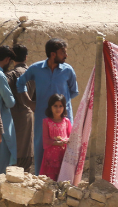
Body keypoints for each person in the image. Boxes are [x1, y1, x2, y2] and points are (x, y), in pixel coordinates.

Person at [16, 38, 79, 175]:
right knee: (41, 145)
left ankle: (65, 179)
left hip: (64, 118)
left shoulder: (68, 70)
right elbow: (20, 83)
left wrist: (61, 107)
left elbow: (74, 91)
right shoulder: (36, 69)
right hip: (42, 116)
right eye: (63, 52)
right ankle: (40, 178)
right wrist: (29, 102)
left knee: (66, 146)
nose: (66, 55)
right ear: (53, 54)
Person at [6, 44, 36, 172]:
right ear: (26, 57)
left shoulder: (11, 75)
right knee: (27, 146)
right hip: (28, 114)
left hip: (13, 115)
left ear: (12, 59)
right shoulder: (33, 74)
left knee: (15, 147)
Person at [0, 45, 17, 175]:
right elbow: (10, 102)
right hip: (0, 122)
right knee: (1, 161)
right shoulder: (0, 75)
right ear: (7, 59)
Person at [41, 94, 72, 181]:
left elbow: (71, 137)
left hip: (63, 154)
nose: (58, 109)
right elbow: (46, 139)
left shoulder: (66, 121)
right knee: (51, 179)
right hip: (51, 156)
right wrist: (57, 143)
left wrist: (66, 141)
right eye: (55, 106)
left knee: (63, 177)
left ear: (64, 107)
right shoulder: (46, 122)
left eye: (60, 106)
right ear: (50, 107)